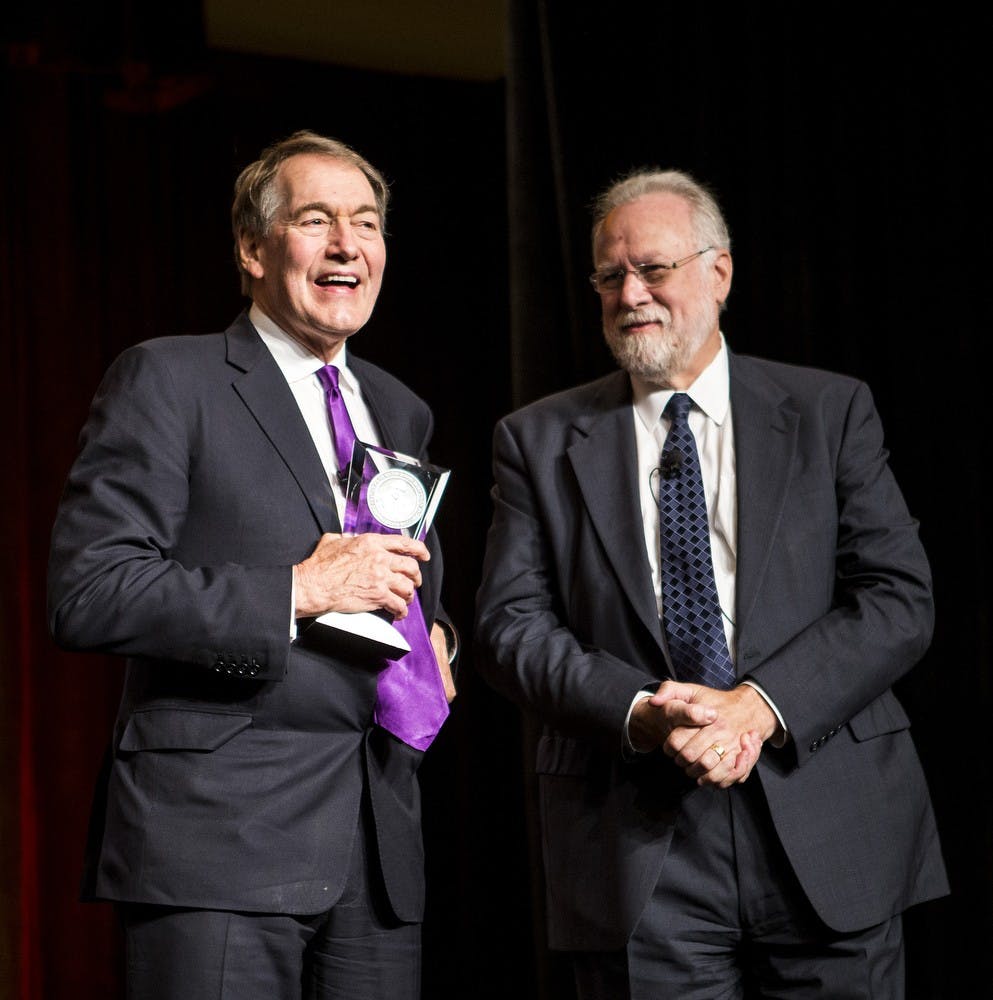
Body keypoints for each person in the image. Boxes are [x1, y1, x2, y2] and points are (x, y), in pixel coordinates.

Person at [473, 167, 948, 998]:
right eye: (609, 276)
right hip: (638, 847)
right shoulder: (537, 439)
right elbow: (511, 628)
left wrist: (757, 706)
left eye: (652, 269)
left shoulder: (827, 411)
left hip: (824, 819)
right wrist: (646, 710)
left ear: (717, 272)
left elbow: (896, 599)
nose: (630, 294)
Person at [47, 130, 458, 1000]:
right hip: (216, 839)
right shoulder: (170, 379)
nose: (349, 244)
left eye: (368, 222)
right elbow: (90, 591)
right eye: (317, 220)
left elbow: (408, 581)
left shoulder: (400, 409)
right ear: (251, 248)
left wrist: (437, 642)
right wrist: (298, 591)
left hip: (377, 847)